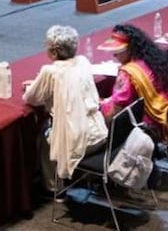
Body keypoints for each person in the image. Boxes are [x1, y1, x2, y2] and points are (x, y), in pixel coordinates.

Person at [22, 25, 108, 189]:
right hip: (100, 133)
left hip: (80, 142)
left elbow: (31, 98)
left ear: (54, 52)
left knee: (45, 137)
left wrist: (31, 86)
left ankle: (55, 187)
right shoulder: (83, 61)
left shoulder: (50, 71)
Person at [98, 25, 168, 139]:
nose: (114, 55)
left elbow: (116, 111)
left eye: (117, 51)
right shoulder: (157, 60)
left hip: (149, 125)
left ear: (130, 49)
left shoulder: (128, 73)